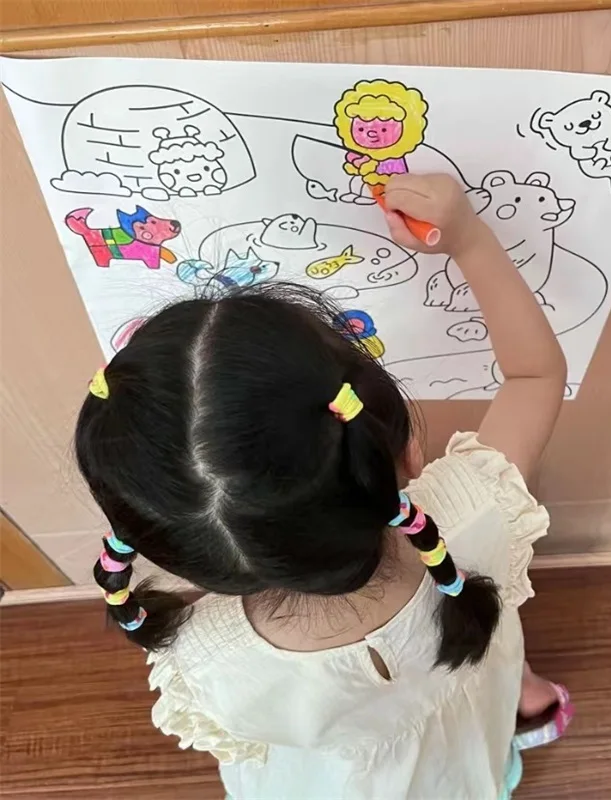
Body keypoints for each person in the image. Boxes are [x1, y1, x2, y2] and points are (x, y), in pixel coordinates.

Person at [75, 174, 572, 799]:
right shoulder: (477, 510)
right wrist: (468, 239)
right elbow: (534, 375)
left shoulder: (202, 657)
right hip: (462, 749)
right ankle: (520, 692)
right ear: (406, 453)